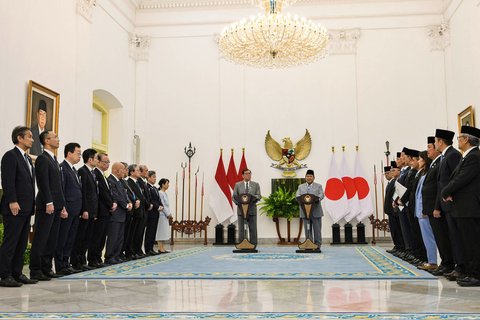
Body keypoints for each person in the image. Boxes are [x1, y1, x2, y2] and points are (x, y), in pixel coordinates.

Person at [442, 126, 480, 286]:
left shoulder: (474, 157)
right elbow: (456, 178)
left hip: (469, 207)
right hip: (462, 207)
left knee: (473, 242)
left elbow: (461, 179)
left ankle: (476, 274)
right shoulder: (467, 156)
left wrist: (446, 191)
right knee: (466, 242)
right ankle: (470, 271)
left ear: (466, 139)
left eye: (459, 138)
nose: (457, 140)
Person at [0, 126, 38, 287]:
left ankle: (17, 273)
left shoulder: (28, 159)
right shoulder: (10, 156)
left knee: (22, 243)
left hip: (26, 208)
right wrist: (12, 201)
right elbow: (7, 181)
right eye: (29, 136)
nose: (32, 139)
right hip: (14, 207)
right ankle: (4, 275)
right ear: (19, 138)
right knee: (11, 242)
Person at [29, 131, 66, 281]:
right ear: (46, 140)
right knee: (41, 238)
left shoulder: (54, 160)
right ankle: (36, 270)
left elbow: (58, 185)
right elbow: (43, 183)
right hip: (46, 205)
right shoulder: (43, 159)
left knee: (52, 239)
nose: (58, 139)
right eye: (55, 137)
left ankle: (46, 268)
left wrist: (62, 205)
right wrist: (49, 202)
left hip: (56, 205)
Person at [433, 128, 465, 279]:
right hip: (444, 203)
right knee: (450, 236)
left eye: (435, 141)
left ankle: (460, 266)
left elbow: (456, 178)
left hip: (452, 204)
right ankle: (452, 264)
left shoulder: (453, 155)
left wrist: (449, 194)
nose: (434, 144)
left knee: (456, 237)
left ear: (440, 141)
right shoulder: (444, 156)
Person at [55, 142, 82, 276]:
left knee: (70, 238)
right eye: (78, 153)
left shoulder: (74, 170)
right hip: (67, 209)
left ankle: (66, 263)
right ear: (69, 153)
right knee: (62, 238)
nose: (80, 156)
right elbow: (62, 190)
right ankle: (60, 265)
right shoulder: (62, 168)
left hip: (76, 210)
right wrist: (63, 207)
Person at [71, 149, 99, 271]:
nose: (98, 160)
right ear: (90, 159)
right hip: (85, 211)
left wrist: (94, 211)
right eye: (97, 158)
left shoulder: (92, 173)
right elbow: (84, 193)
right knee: (80, 238)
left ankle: (82, 260)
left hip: (92, 211)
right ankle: (76, 261)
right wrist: (85, 209)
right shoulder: (82, 171)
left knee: (87, 238)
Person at [90, 153, 116, 268]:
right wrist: (111, 204)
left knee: (102, 237)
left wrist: (112, 203)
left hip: (106, 211)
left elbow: (109, 192)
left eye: (108, 162)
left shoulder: (104, 175)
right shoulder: (96, 174)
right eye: (105, 162)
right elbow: (102, 194)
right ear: (99, 162)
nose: (107, 164)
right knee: (96, 236)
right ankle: (93, 259)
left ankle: (98, 258)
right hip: (100, 211)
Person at [415, 151, 438, 271]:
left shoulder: (427, 174)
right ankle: (430, 260)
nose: (418, 161)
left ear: (425, 161)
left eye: (420, 159)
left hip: (424, 211)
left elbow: (426, 195)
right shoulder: (423, 174)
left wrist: (424, 209)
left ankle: (433, 261)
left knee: (429, 237)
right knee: (425, 237)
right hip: (420, 210)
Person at [105, 163, 132, 265]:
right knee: (113, 236)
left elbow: (124, 195)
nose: (124, 172)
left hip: (122, 214)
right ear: (117, 171)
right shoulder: (111, 180)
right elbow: (115, 196)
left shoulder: (120, 182)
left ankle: (116, 255)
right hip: (115, 214)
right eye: (122, 170)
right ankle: (109, 256)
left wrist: (129, 202)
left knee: (120, 237)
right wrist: (126, 205)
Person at [296, 169, 324, 250]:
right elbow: (297, 195)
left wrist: (317, 199)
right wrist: (300, 199)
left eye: (310, 176)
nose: (309, 177)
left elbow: (321, 194)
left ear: (314, 177)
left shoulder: (318, 186)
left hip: (316, 212)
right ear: (305, 177)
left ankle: (317, 245)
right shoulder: (300, 187)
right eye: (307, 176)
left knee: (317, 230)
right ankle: (309, 244)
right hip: (305, 212)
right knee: (307, 229)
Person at [232, 169, 261, 245]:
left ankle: (253, 244)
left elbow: (259, 196)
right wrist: (238, 204)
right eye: (246, 173)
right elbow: (234, 197)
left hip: (252, 210)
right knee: (241, 229)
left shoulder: (256, 184)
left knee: (253, 228)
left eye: (249, 173)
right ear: (242, 175)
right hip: (241, 210)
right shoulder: (237, 185)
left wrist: (251, 197)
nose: (248, 175)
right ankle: (242, 244)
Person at [144, 170, 161, 255]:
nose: (155, 179)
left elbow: (158, 199)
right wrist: (157, 206)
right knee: (149, 231)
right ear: (148, 177)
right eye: (153, 177)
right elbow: (150, 199)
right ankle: (147, 249)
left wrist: (160, 205)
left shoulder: (154, 188)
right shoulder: (147, 187)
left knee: (153, 231)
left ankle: (151, 248)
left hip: (156, 212)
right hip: (151, 212)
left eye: (155, 177)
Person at [156, 178, 171, 253]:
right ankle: (160, 247)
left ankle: (162, 247)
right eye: (167, 183)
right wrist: (167, 214)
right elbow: (162, 205)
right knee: (160, 231)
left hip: (165, 215)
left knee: (164, 231)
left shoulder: (165, 193)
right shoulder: (160, 193)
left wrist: (169, 213)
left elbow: (167, 205)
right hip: (162, 214)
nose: (168, 185)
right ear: (162, 184)